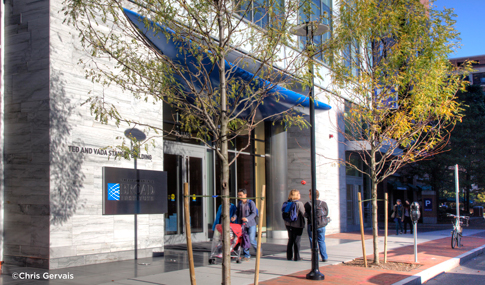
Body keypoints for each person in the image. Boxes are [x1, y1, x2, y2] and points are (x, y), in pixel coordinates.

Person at [231, 189, 258, 261]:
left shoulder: (251, 203)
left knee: (251, 239)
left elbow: (254, 213)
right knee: (244, 239)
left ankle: (258, 251)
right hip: (242, 225)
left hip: (251, 224)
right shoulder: (239, 203)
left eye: (241, 195)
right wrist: (234, 217)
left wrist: (247, 219)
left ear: (245, 195)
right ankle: (247, 255)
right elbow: (237, 212)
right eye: (238, 195)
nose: (239, 196)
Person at [304, 189, 328, 262]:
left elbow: (306, 214)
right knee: (321, 241)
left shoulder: (308, 204)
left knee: (313, 241)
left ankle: (315, 257)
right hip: (321, 225)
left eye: (309, 194)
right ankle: (324, 257)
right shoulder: (323, 203)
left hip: (311, 225)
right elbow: (326, 213)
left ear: (311, 195)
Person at [283, 189, 306, 261]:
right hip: (297, 225)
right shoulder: (299, 203)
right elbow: (304, 214)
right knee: (297, 241)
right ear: (296, 195)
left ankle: (289, 256)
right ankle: (297, 257)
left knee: (290, 240)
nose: (300, 195)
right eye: (298, 194)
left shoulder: (286, 202)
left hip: (288, 224)